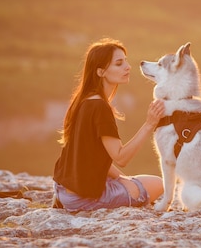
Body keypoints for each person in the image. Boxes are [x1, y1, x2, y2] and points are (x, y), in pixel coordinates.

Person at [53, 38, 165, 212]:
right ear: (101, 71)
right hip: (84, 197)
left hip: (64, 190)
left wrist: (123, 180)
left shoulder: (84, 100)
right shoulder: (100, 107)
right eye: (119, 64)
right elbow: (121, 158)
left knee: (132, 181)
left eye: (126, 61)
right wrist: (149, 124)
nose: (127, 67)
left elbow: (91, 157)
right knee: (159, 184)